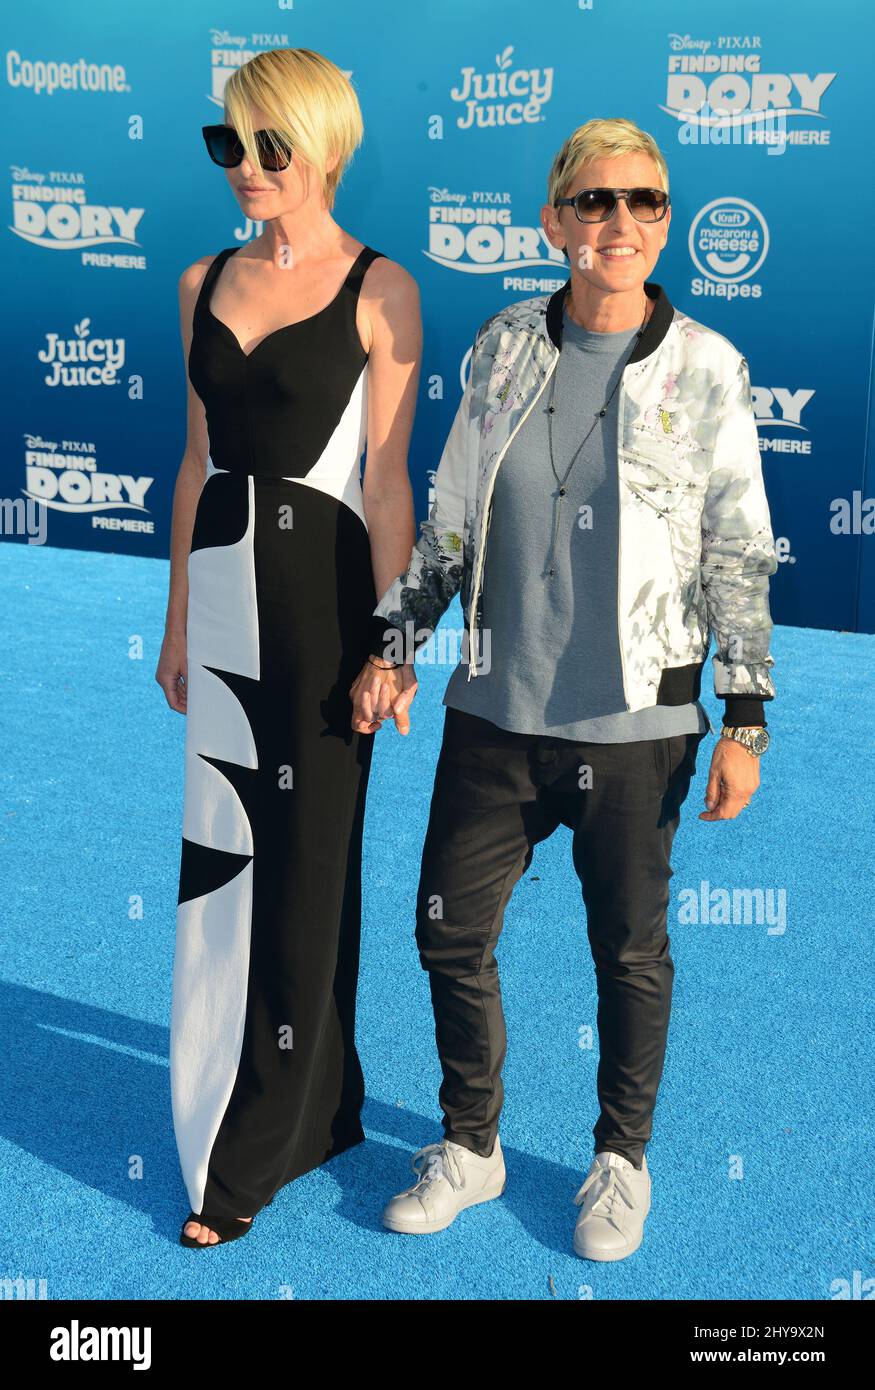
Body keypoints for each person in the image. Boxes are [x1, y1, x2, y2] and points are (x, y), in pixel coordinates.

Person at [350, 116, 776, 1261]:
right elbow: (446, 516)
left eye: (642, 201)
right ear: (553, 219)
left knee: (627, 951)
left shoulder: (708, 368)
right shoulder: (500, 346)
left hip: (637, 719)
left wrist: (744, 715)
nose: (617, 223)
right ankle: (472, 1143)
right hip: (493, 707)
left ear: (664, 219)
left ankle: (617, 1161)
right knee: (447, 933)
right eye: (592, 202)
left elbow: (738, 547)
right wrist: (397, 645)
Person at [155, 47, 421, 1248]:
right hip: (218, 599)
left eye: (269, 147)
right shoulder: (198, 278)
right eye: (230, 144)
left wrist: (399, 640)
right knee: (227, 850)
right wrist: (173, 618)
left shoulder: (382, 290)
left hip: (321, 609)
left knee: (314, 859)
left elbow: (384, 480)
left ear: (322, 146)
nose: (246, 168)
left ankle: (252, 1150)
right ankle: (317, 1101)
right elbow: (196, 458)